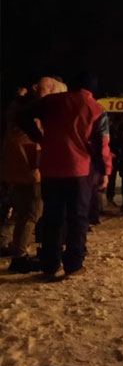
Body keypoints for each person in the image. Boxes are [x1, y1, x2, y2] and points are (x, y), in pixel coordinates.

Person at [21, 72, 112, 279]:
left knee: (52, 217)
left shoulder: (51, 102)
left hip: (51, 167)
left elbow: (22, 115)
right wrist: (104, 170)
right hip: (79, 169)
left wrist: (39, 137)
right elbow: (101, 146)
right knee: (77, 218)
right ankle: (73, 264)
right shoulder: (96, 108)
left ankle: (50, 265)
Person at [1, 76, 57, 272]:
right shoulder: (30, 110)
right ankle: (20, 256)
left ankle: (18, 251)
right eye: (50, 90)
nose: (53, 95)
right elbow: (32, 139)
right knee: (32, 211)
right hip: (29, 167)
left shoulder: (17, 107)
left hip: (18, 166)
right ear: (36, 88)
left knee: (24, 211)